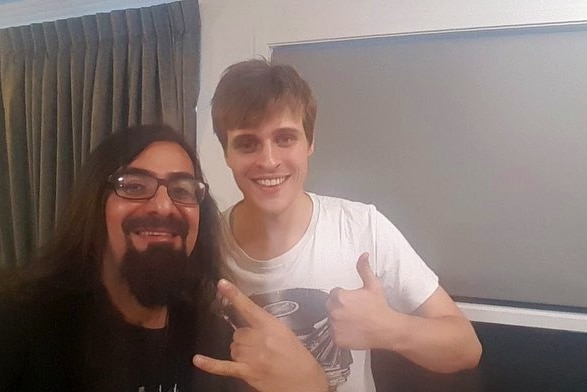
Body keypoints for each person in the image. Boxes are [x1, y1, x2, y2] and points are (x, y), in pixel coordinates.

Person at [196, 58, 483, 391]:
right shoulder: (205, 243)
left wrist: (388, 328)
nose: (269, 160)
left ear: (310, 143)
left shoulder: (362, 228)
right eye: (247, 143)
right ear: (226, 153)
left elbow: (466, 347)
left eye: (286, 138)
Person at [1, 124, 323, 392]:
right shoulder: (22, 325)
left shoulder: (218, 346)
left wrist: (312, 385)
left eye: (182, 191)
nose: (164, 206)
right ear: (95, 205)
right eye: (134, 185)